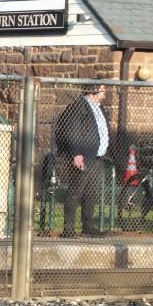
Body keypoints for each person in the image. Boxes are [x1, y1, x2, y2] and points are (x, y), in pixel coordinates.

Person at [54, 83, 110, 237]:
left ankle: (88, 228)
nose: (105, 91)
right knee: (75, 192)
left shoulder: (99, 107)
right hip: (83, 156)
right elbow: (71, 129)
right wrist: (76, 153)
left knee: (91, 193)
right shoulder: (79, 105)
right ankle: (69, 229)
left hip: (97, 157)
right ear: (93, 89)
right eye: (102, 88)